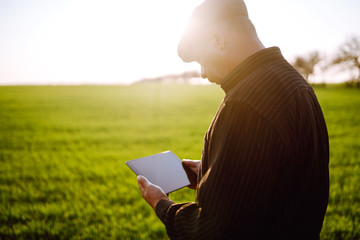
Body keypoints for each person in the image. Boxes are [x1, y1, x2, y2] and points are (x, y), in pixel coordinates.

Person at [137, 0, 329, 239]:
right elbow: (281, 179)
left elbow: (213, 230)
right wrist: (214, 171)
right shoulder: (294, 82)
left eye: (199, 60)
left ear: (217, 39)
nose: (203, 73)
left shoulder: (245, 103)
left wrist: (161, 203)